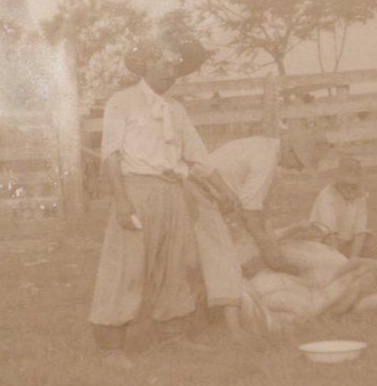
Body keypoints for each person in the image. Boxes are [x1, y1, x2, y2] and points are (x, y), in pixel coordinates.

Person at [88, 36, 240, 369]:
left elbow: (198, 158)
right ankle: (110, 345)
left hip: (174, 191)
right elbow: (111, 155)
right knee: (127, 264)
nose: (172, 72)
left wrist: (224, 191)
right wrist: (122, 201)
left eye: (176, 66)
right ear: (146, 64)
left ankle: (173, 336)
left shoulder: (176, 109)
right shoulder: (122, 101)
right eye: (166, 63)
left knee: (176, 264)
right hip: (137, 189)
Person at [188, 126, 332, 334]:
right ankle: (234, 331)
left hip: (203, 193)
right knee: (225, 259)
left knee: (207, 258)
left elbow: (261, 211)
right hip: (200, 193)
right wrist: (271, 255)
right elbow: (249, 214)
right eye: (300, 163)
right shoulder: (265, 159)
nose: (298, 169)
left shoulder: (265, 151)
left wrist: (274, 250)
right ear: (291, 150)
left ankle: (204, 317)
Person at [309, 157, 377, 259]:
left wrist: (354, 257)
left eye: (353, 186)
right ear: (338, 182)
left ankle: (352, 261)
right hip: (326, 244)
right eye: (346, 185)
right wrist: (337, 259)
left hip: (348, 243)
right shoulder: (327, 196)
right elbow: (330, 235)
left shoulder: (360, 195)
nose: (349, 189)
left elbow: (360, 232)